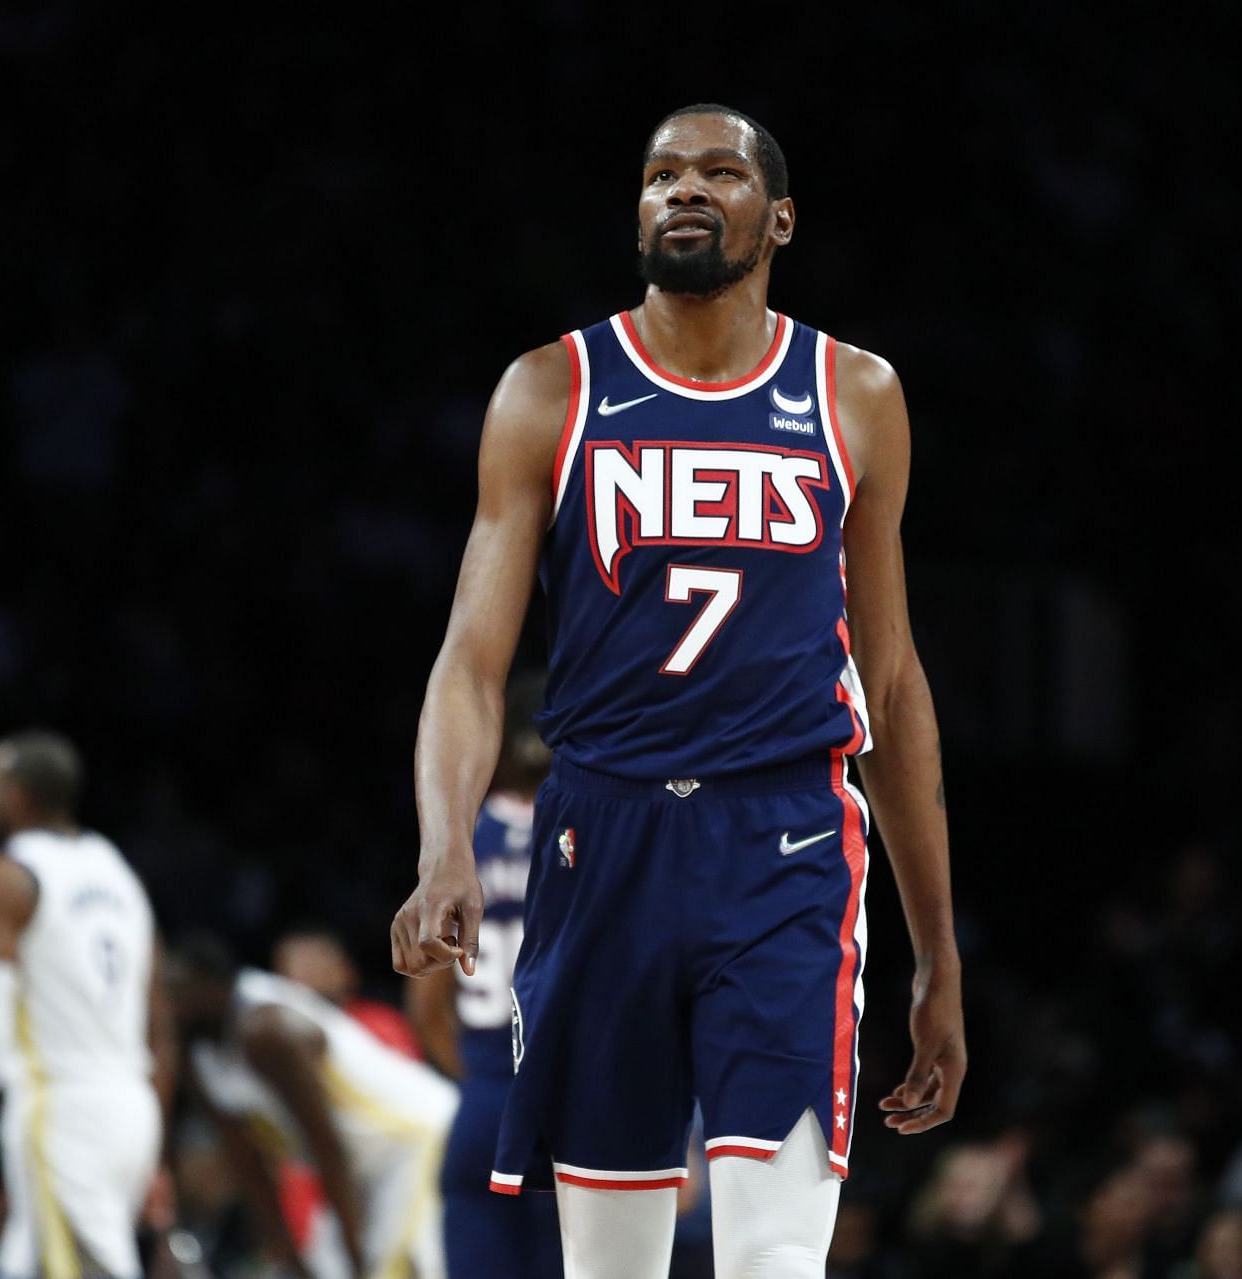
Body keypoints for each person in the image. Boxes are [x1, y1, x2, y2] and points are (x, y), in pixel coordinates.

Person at [389, 102, 965, 1278]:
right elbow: (468, 659)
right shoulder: (553, 388)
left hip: (787, 839)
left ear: (782, 219)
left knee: (773, 1260)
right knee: (612, 1265)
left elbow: (894, 686)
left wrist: (939, 950)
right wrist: (444, 839)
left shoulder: (855, 393)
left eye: (717, 173)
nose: (684, 190)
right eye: (660, 174)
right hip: (602, 834)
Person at [0, 730, 168, 1279]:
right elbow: (159, 1022)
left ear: (16, 796)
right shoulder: (121, 875)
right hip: (133, 1110)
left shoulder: (2, 880)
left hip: (61, 1112)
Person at [171, 936, 457, 1279]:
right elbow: (250, 1169)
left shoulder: (267, 1028)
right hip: (360, 1170)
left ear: (206, 986)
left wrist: (356, 1259)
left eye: (172, 991)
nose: (162, 1007)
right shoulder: (201, 1056)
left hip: (414, 1142)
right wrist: (290, 1259)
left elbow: (327, 1146)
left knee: (385, 1270)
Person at [405, 673, 564, 1277]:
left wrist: (481, 1080)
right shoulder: (593, 833)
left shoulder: (459, 843)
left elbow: (425, 1007)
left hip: (484, 1099)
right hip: (566, 1102)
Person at [274, 924, 423, 1060]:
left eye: (323, 965)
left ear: (347, 970)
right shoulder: (276, 1033)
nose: (315, 976)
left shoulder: (382, 1023)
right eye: (304, 968)